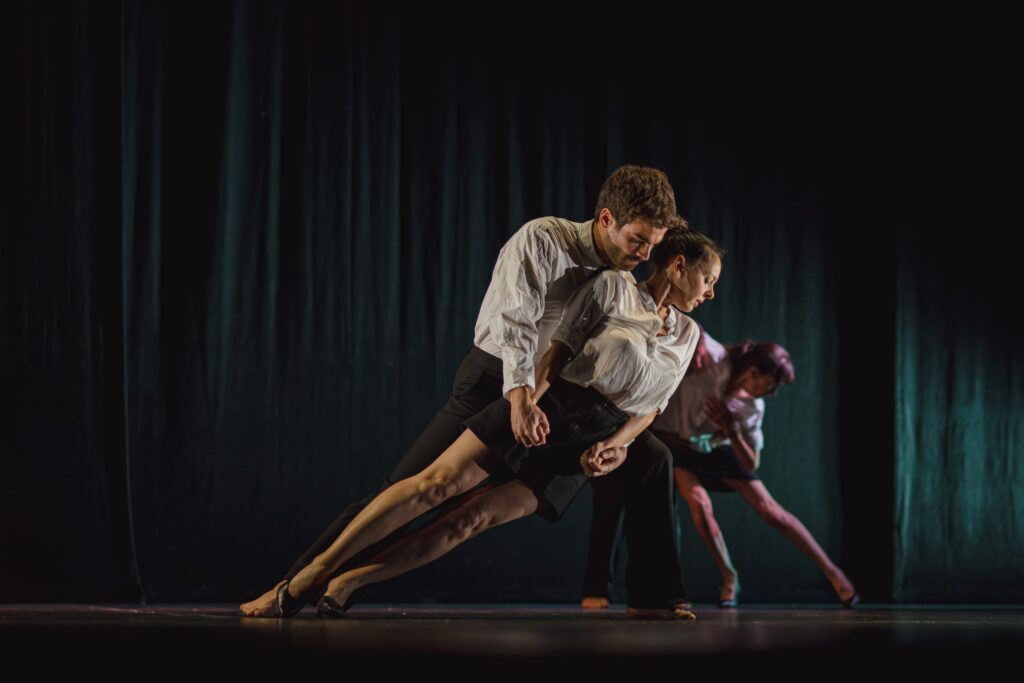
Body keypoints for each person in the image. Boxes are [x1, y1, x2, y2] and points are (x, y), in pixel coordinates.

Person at [240, 165, 688, 617]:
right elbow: (515, 323)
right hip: (497, 377)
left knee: (653, 458)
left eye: (653, 245)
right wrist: (519, 397)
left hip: (557, 399)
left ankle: (656, 599)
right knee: (414, 488)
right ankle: (296, 584)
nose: (645, 254)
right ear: (607, 219)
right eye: (638, 241)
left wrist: (618, 438)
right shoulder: (544, 240)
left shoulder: (623, 278)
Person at [581, 329, 859, 608]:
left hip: (720, 448)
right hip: (682, 447)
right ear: (752, 372)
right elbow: (693, 331)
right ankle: (729, 577)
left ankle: (834, 574)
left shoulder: (752, 406)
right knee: (700, 506)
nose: (772, 393)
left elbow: (751, 462)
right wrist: (697, 342)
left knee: (771, 511)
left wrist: (732, 429)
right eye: (771, 384)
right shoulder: (715, 361)